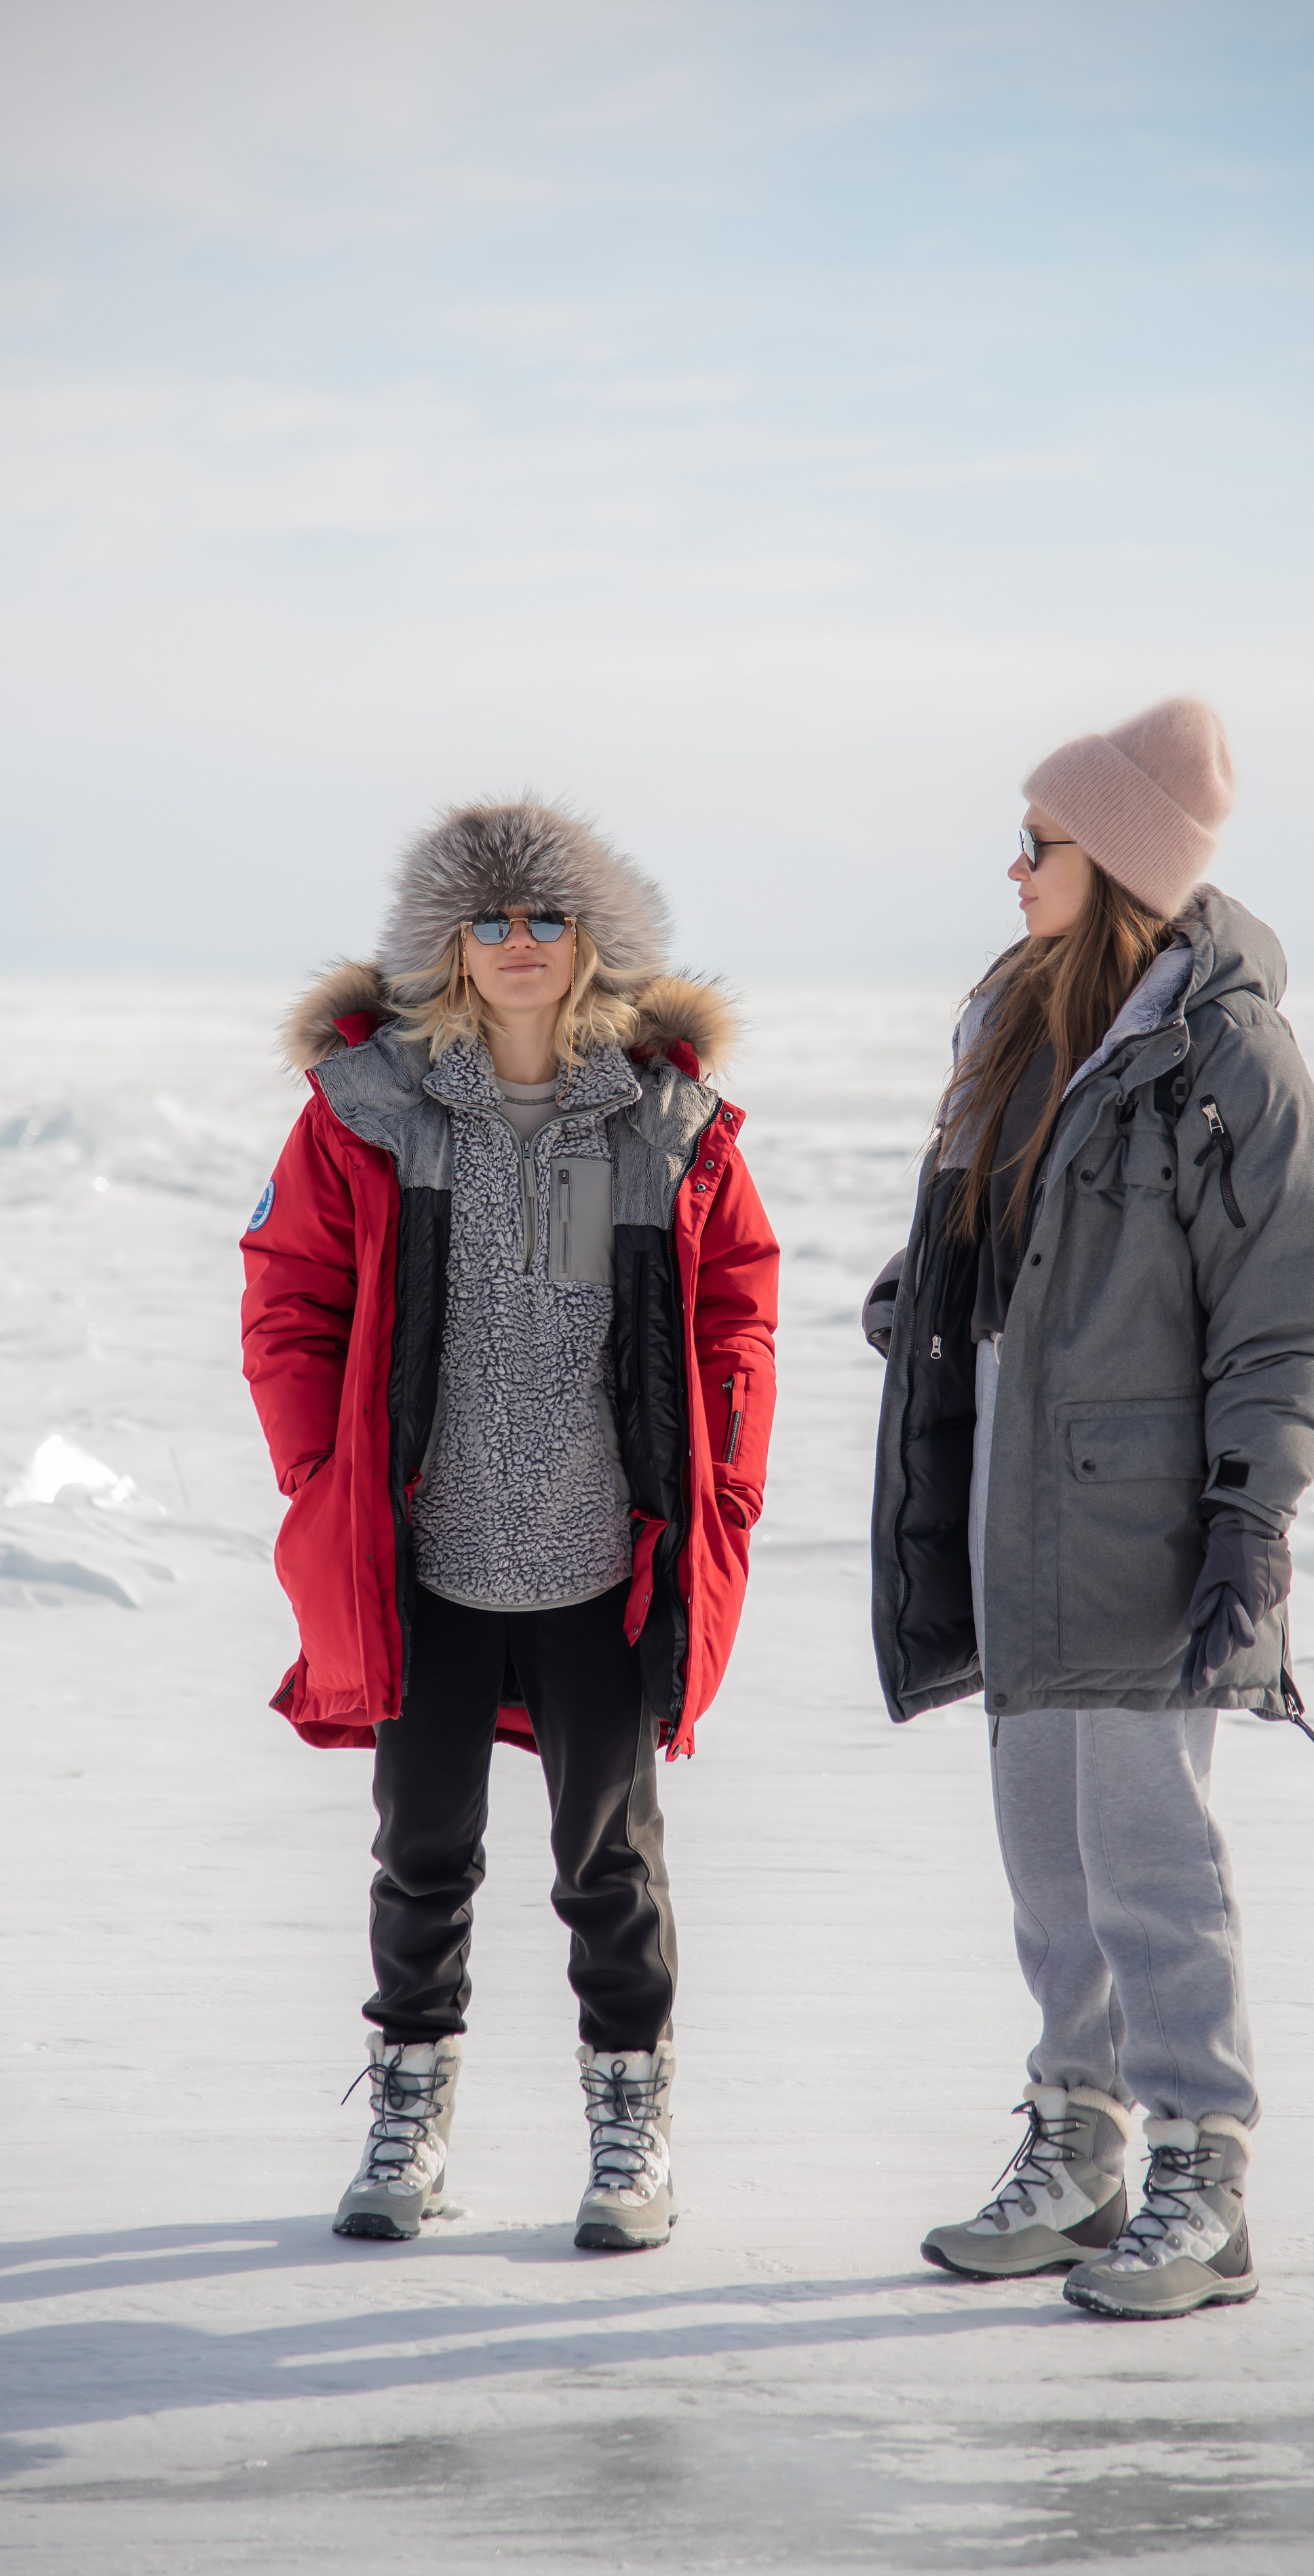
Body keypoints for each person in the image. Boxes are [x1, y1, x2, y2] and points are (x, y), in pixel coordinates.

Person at [866, 698, 1314, 2320]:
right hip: (1013, 1496)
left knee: (1147, 1850)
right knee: (1045, 1857)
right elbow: (986, 1231)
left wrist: (1247, 1515)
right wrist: (918, 1297)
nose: (1010, 869)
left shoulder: (1224, 1051)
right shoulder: (1008, 1022)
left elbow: (1286, 1307)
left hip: (1149, 1513)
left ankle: (1201, 2172)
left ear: (1122, 863)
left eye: (1040, 843)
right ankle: (1075, 2144)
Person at [241, 798, 778, 2252]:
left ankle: (628, 2128)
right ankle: (406, 2115)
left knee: (607, 1860)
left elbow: (736, 1313)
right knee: (422, 1846)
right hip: (426, 1557)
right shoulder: (369, 1108)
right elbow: (288, 1296)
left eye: (544, 917)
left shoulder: (661, 1117)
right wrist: (320, 1466)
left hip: (605, 1558)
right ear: (447, 948)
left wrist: (720, 1479)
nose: (519, 944)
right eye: (488, 921)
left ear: (589, 938)